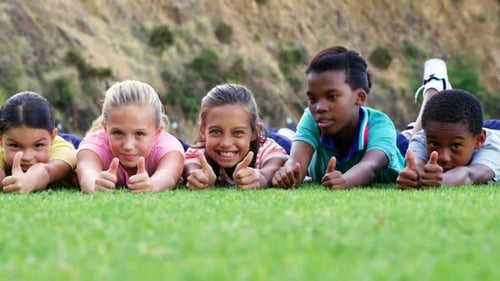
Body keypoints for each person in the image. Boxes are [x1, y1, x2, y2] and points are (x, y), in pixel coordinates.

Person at [272, 45, 404, 189]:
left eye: (332, 96)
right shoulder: (312, 118)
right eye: (312, 99)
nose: (320, 107)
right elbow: (296, 164)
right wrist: (289, 173)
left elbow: (370, 166)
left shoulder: (380, 125)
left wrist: (344, 180)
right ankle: (288, 136)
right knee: (276, 141)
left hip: (398, 143)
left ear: (359, 97)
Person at [76, 80, 184, 193]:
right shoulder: (94, 146)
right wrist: (95, 185)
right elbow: (87, 174)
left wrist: (151, 185)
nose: (128, 146)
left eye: (139, 134)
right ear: (105, 128)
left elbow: (169, 175)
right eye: (118, 133)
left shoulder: (169, 149)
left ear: (157, 132)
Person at [183, 83, 288, 190]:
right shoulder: (199, 151)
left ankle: (286, 132)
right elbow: (190, 165)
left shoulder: (265, 148)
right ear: (202, 131)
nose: (226, 143)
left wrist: (262, 177)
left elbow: (277, 160)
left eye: (238, 132)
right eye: (216, 132)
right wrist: (199, 179)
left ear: (254, 132)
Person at [397, 88, 500, 188]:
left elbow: (470, 175)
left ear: (479, 140)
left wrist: (440, 181)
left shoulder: (492, 146)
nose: (444, 157)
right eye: (434, 144)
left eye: (456, 146)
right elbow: (416, 166)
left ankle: (433, 87)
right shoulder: (422, 137)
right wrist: (414, 177)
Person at [0, 91, 77, 193]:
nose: (27, 157)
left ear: (53, 137)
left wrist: (27, 182)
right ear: (1, 140)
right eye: (15, 145)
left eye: (38, 145)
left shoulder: (64, 150)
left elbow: (46, 172)